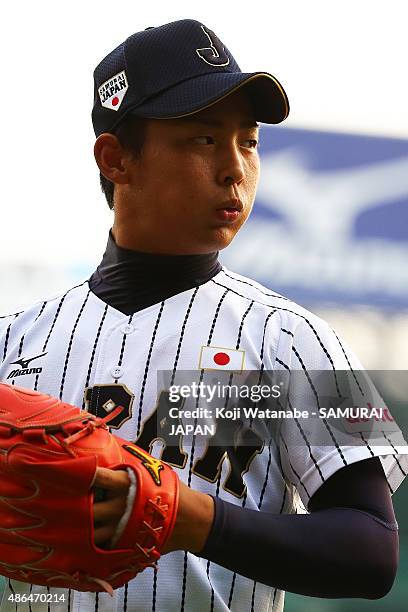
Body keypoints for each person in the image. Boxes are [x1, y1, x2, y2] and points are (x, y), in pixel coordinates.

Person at [0, 18, 407, 612]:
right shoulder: (15, 341)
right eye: (204, 138)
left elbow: (371, 552)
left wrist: (192, 519)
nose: (235, 168)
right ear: (116, 159)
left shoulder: (292, 339)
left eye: (249, 140)